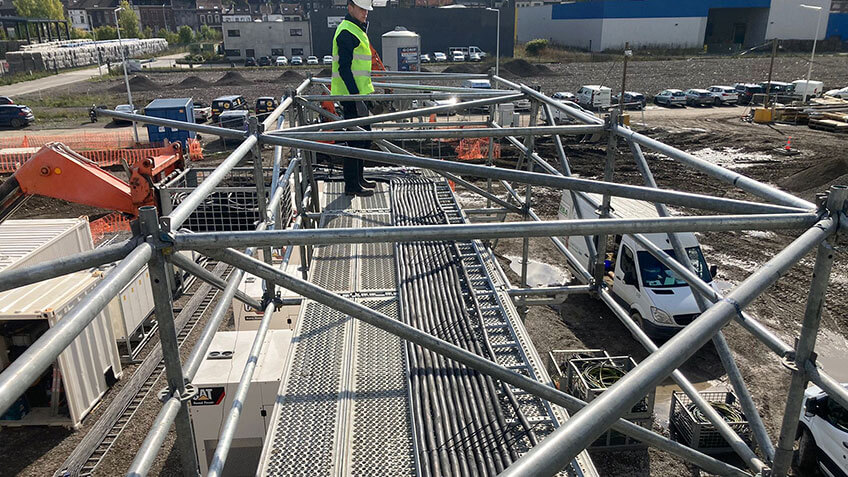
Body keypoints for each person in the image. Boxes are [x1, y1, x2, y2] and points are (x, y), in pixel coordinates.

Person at [331, 0, 377, 197]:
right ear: (350, 7)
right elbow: (344, 68)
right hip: (351, 97)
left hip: (359, 95)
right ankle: (352, 186)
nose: (365, 13)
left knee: (364, 139)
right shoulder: (347, 31)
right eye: (361, 9)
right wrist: (356, 96)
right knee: (355, 142)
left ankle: (359, 178)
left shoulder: (357, 29)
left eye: (366, 10)